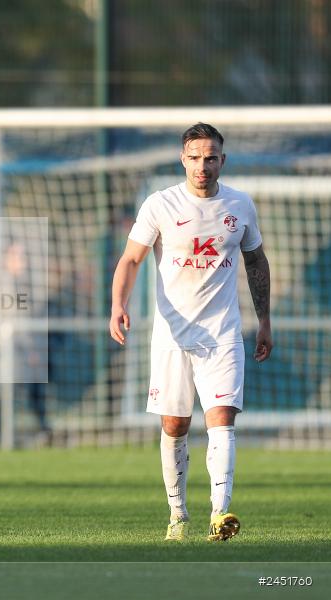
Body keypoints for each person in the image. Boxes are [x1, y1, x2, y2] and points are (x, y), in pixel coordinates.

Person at [109, 123, 272, 542]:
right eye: (195, 157)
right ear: (183, 159)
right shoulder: (161, 204)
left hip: (222, 334)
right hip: (172, 336)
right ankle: (178, 515)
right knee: (175, 425)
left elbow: (256, 262)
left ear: (223, 160)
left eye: (211, 157)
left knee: (222, 421)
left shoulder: (240, 205)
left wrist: (265, 320)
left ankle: (220, 515)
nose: (203, 165)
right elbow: (131, 259)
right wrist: (118, 305)